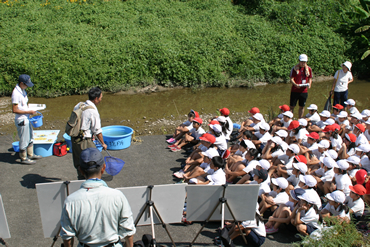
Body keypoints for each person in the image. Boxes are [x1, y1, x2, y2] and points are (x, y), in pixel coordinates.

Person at [60, 148, 136, 247]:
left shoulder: (70, 201)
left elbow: (67, 237)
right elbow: (128, 231)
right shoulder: (118, 196)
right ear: (103, 168)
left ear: (81, 171)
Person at [72, 87, 107, 180]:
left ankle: (80, 179)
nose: (101, 99)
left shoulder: (79, 105)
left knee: (79, 163)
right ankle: (91, 182)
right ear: (96, 98)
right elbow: (97, 131)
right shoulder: (93, 111)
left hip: (75, 139)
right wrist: (103, 143)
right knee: (92, 162)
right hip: (85, 141)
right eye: (100, 97)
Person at [11, 74, 42, 164]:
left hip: (26, 118)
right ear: (21, 83)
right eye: (26, 84)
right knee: (24, 139)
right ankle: (24, 158)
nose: (27, 87)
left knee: (30, 136)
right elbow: (15, 109)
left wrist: (31, 109)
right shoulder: (16, 93)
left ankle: (31, 154)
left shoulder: (22, 90)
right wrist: (29, 112)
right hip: (21, 119)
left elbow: (23, 105)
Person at [290, 54, 313, 118]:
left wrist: (309, 84)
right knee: (292, 106)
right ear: (299, 61)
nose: (303, 63)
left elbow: (310, 78)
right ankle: (290, 119)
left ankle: (300, 119)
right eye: (302, 62)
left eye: (304, 62)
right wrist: (295, 84)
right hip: (295, 90)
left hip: (304, 90)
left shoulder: (308, 69)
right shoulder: (294, 69)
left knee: (302, 106)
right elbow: (291, 79)